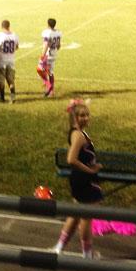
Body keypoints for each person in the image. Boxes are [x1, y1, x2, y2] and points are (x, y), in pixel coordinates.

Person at [53, 99, 101, 258]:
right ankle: (87, 255)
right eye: (81, 115)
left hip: (80, 179)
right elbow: (71, 159)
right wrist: (90, 171)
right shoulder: (79, 135)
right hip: (84, 181)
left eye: (87, 115)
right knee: (86, 219)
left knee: (74, 215)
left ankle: (59, 247)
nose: (86, 118)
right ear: (74, 117)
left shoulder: (79, 132)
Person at [0, 19, 19, 103]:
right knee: (11, 80)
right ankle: (13, 96)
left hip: (1, 61)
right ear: (9, 26)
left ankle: (2, 97)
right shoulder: (15, 35)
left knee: (1, 80)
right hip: (11, 60)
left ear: (2, 26)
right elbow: (17, 47)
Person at [40, 18, 62, 98]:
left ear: (48, 24)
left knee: (40, 70)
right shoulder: (58, 32)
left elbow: (46, 44)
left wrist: (42, 55)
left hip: (47, 54)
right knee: (50, 72)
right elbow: (59, 45)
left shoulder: (47, 32)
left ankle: (48, 85)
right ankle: (51, 91)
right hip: (54, 54)